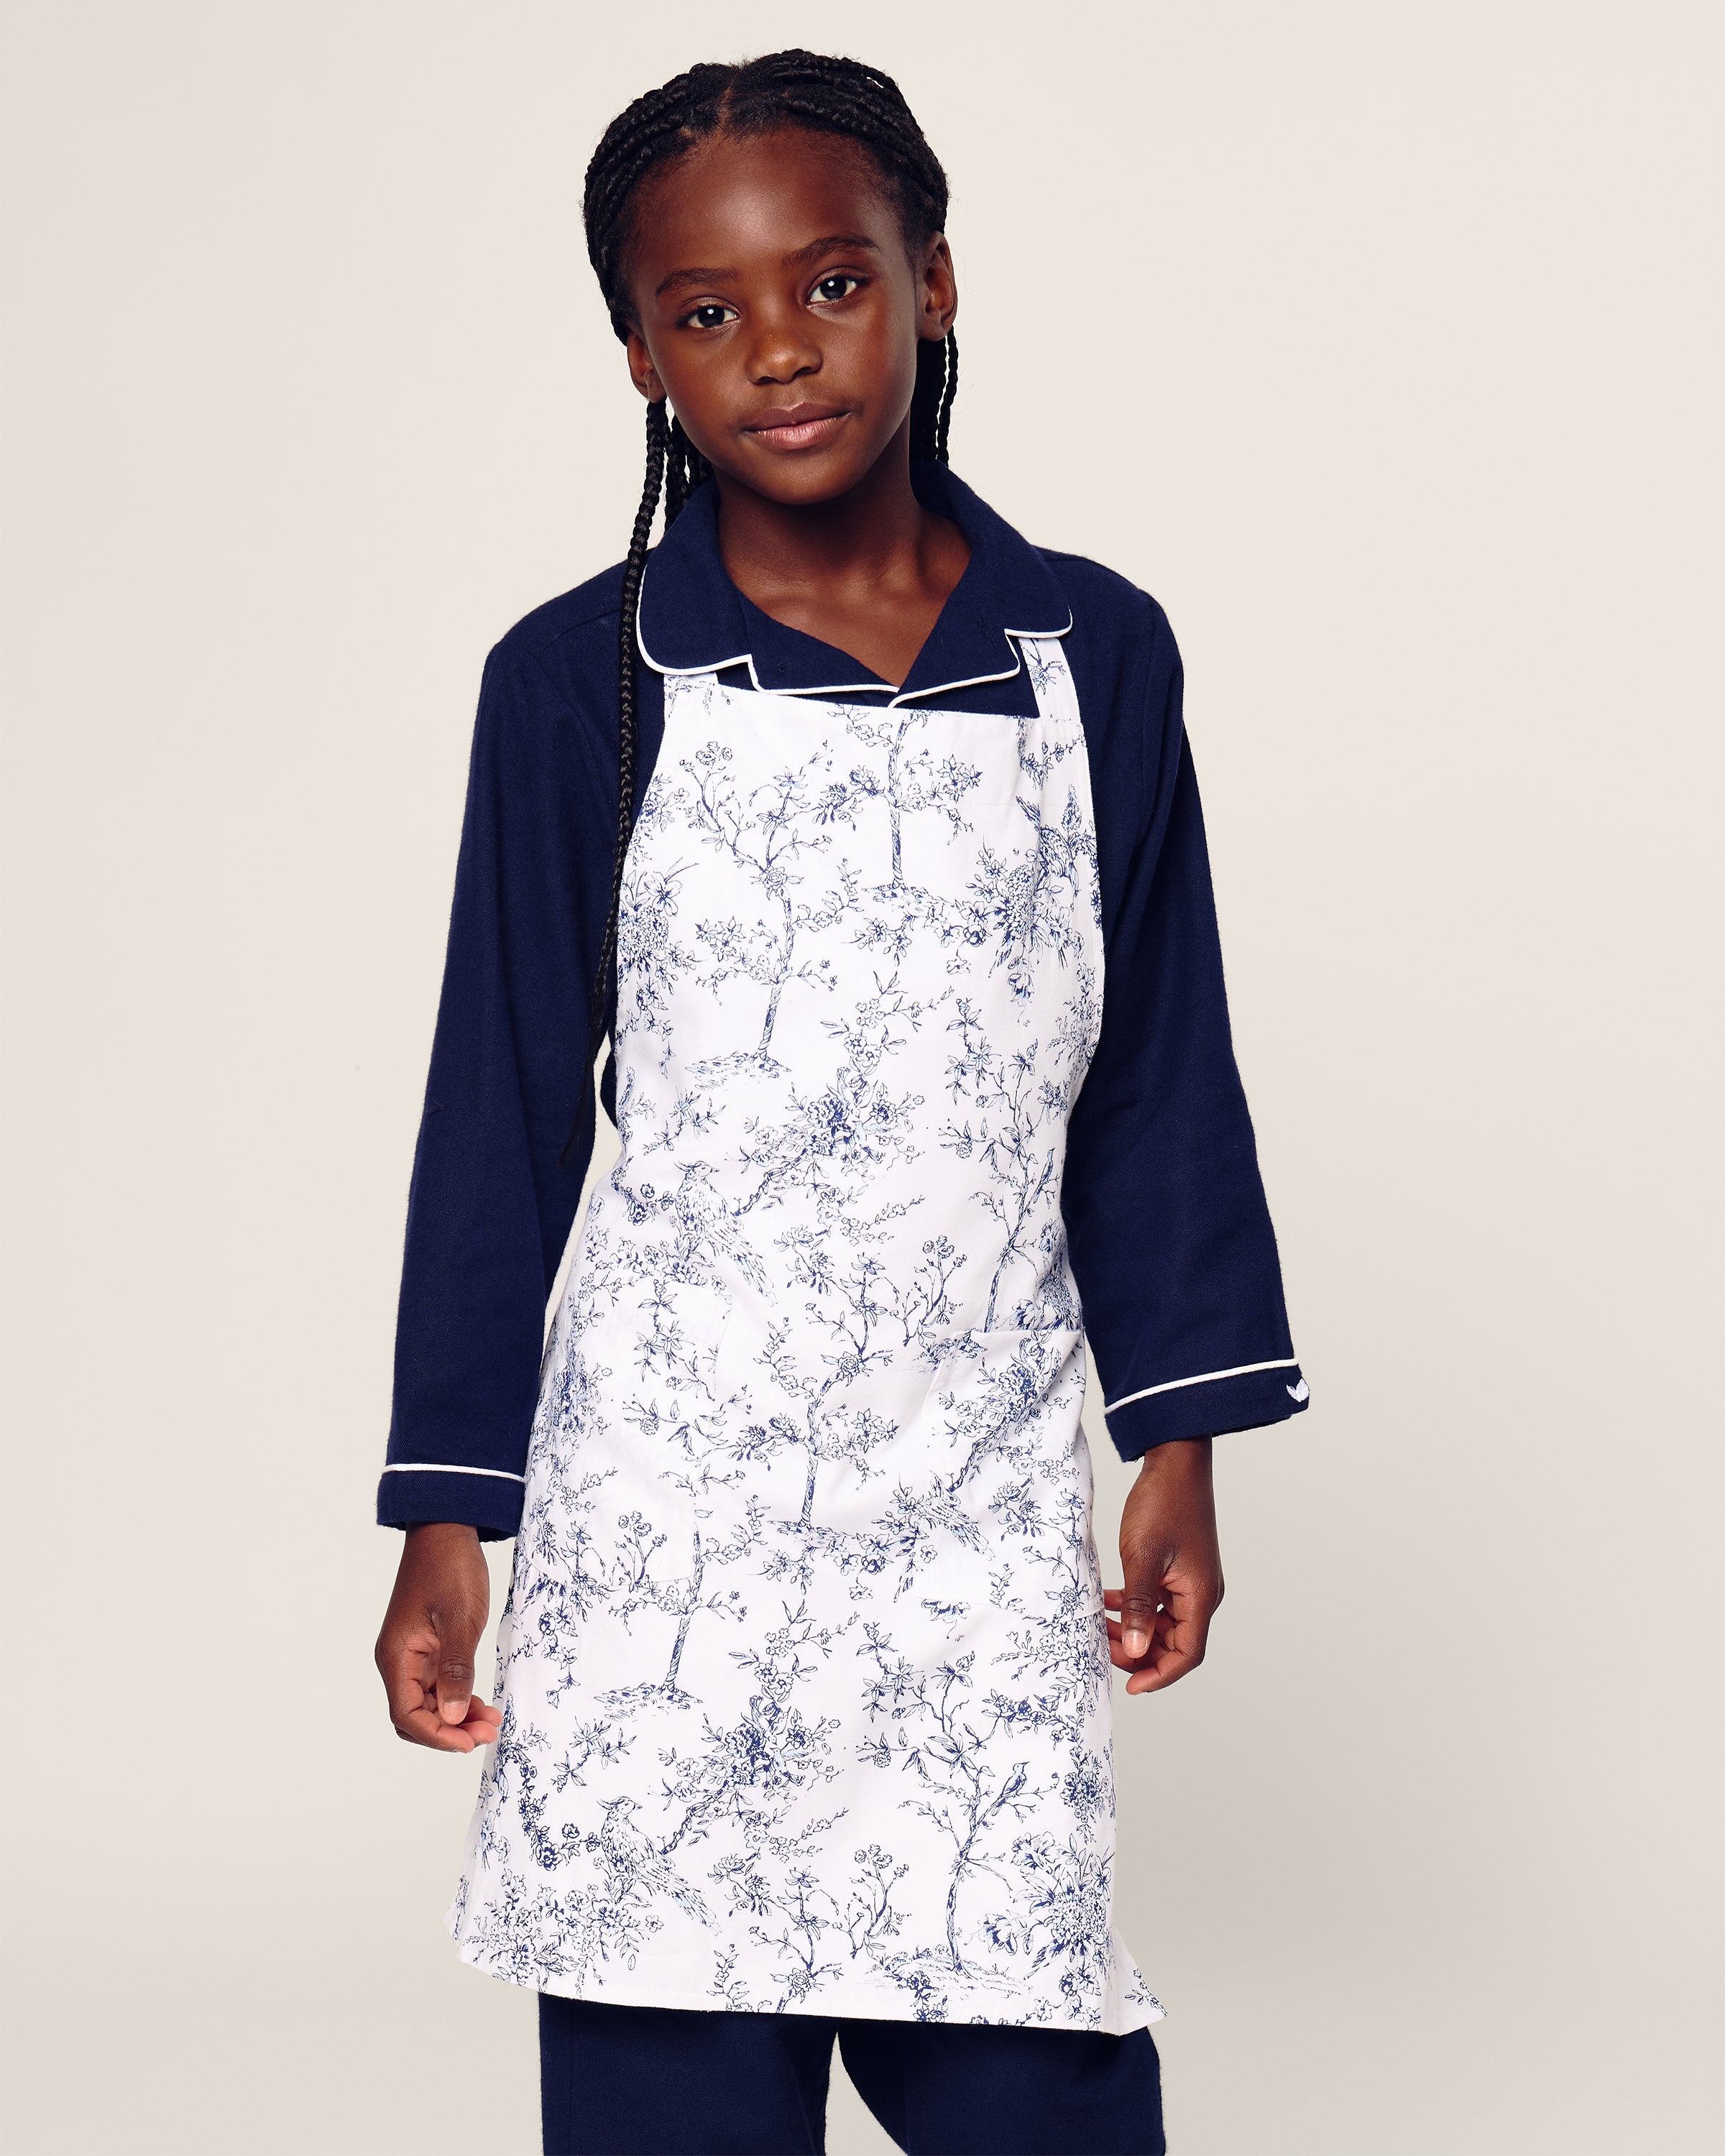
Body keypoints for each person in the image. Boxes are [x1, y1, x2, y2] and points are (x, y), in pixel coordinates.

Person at [372, 49, 1307, 2156]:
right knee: (668, 2093)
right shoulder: (586, 677)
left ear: (936, 284)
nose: (776, 351)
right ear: (639, 354)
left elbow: (1151, 1076)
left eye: (832, 283)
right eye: (704, 312)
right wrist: (454, 1517)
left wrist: (1179, 1446)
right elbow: (499, 1117)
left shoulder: (1094, 657)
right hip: (662, 1551)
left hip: (966, 1524)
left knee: (1045, 2094)